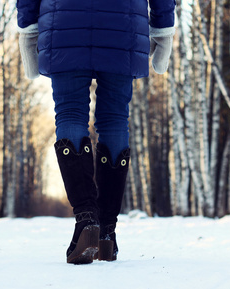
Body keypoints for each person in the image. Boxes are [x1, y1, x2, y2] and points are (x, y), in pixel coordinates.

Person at [17, 0, 176, 264]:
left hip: (64, 21)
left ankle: (86, 220)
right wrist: (163, 26)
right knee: (115, 120)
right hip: (123, 24)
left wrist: (28, 27)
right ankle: (106, 233)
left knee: (69, 114)